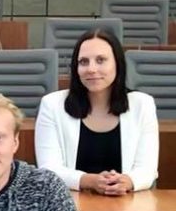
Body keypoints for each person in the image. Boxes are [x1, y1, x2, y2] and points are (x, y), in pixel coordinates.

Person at [35, 28, 158, 194]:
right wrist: (90, 181)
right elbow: (48, 169)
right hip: (69, 206)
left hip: (127, 205)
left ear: (117, 63)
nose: (91, 69)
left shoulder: (142, 104)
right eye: (84, 62)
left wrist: (127, 181)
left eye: (101, 60)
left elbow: (147, 170)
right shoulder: (52, 105)